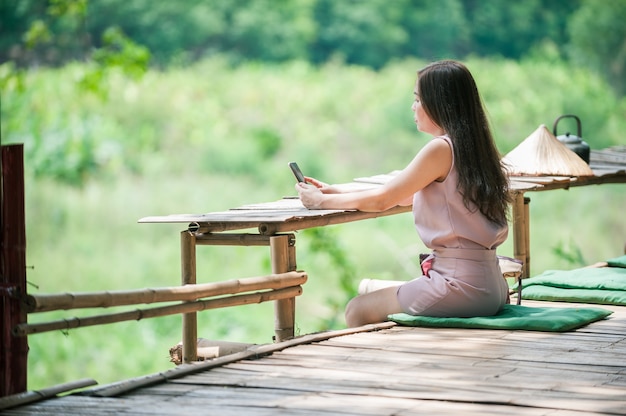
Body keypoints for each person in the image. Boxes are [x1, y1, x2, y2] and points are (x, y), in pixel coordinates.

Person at [296, 60, 511, 327]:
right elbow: (402, 191)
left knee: (357, 309)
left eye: (418, 99)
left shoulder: (441, 149)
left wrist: (321, 201)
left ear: (440, 103)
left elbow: (384, 199)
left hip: (460, 286)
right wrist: (336, 190)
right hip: (491, 285)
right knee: (370, 297)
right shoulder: (477, 150)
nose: (414, 106)